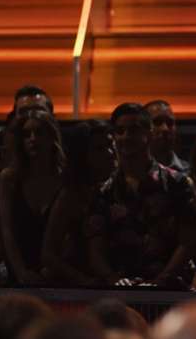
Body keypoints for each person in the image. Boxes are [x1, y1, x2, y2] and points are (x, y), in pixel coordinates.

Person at [87, 102, 196, 288]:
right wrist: (113, 278)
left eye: (133, 130)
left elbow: (189, 241)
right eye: (120, 131)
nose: (126, 137)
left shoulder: (177, 183)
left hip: (171, 292)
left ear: (148, 133)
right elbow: (95, 245)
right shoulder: (104, 191)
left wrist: (161, 280)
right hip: (121, 292)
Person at [41, 120, 116, 286]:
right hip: (77, 288)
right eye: (99, 149)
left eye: (111, 144)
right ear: (83, 155)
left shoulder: (118, 186)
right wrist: (84, 281)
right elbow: (48, 254)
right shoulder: (71, 194)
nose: (110, 153)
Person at [0, 107, 64, 285]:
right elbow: (7, 231)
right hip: (20, 271)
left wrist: (54, 269)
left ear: (52, 137)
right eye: (27, 134)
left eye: (39, 133)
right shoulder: (10, 178)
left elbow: (70, 234)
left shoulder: (64, 178)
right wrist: (21, 271)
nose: (33, 139)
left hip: (58, 272)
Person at [144, 100, 189, 174]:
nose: (165, 129)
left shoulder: (190, 172)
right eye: (157, 122)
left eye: (170, 123)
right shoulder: (134, 172)